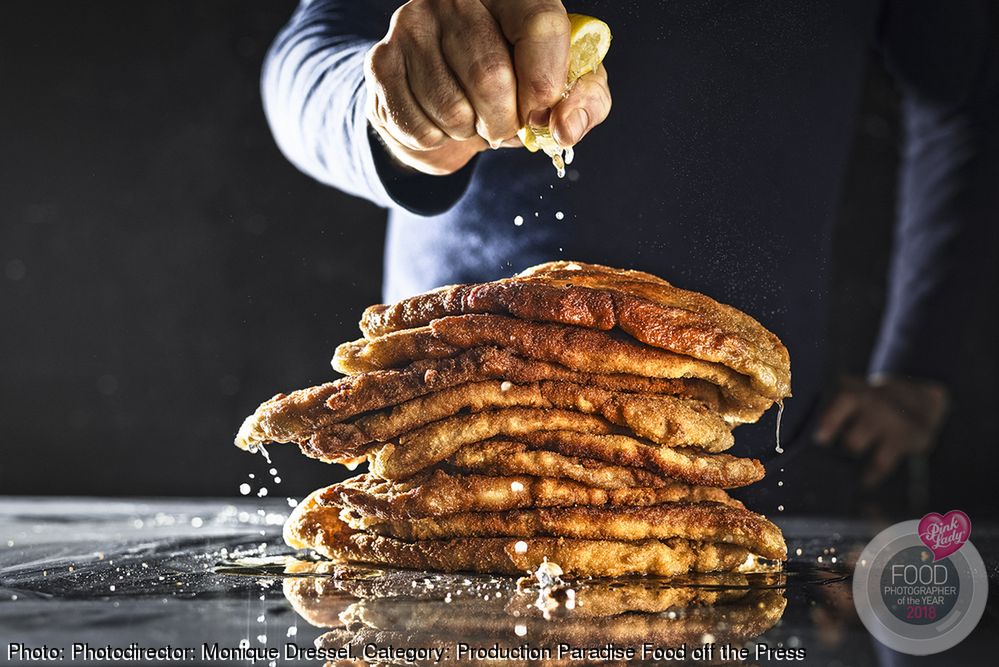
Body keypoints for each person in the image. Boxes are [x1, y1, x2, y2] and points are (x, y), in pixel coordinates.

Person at [260, 0, 998, 512]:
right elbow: (304, 55)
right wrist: (388, 114)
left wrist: (918, 361)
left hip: (754, 442)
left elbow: (965, 85)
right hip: (447, 434)